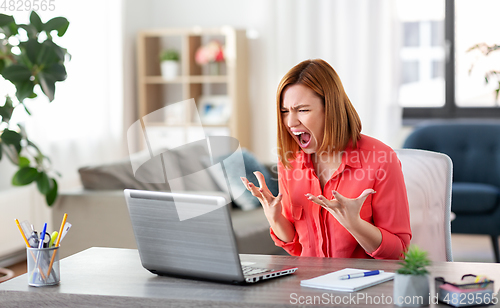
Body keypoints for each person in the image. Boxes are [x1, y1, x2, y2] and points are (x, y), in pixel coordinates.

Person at [241, 59, 411, 260]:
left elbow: (399, 252)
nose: (290, 122)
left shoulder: (380, 159)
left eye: (302, 110)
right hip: (309, 283)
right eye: (285, 112)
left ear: (331, 109)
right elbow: (296, 248)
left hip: (363, 284)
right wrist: (275, 218)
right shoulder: (290, 160)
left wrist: (355, 225)